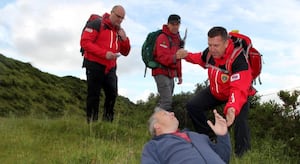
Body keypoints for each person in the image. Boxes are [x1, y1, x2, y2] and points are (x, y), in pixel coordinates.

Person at [176, 26, 254, 157]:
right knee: (193, 105)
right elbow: (200, 58)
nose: (212, 49)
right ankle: (209, 137)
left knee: (240, 119)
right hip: (215, 91)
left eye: (216, 45)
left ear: (226, 42)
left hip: (235, 93)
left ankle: (242, 154)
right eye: (209, 45)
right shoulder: (210, 53)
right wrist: (186, 56)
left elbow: (239, 87)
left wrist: (232, 107)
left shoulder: (238, 59)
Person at [80, 5, 131, 123]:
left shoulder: (118, 31)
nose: (120, 20)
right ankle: (92, 124)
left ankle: (107, 123)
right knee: (94, 95)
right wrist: (104, 54)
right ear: (111, 13)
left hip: (111, 67)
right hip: (94, 64)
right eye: (118, 16)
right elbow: (85, 42)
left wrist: (124, 39)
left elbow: (126, 52)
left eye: (122, 18)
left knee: (112, 94)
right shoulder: (97, 23)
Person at [141, 107, 231, 164]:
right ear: (156, 126)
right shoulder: (153, 146)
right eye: (165, 114)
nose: (172, 113)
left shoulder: (198, 136)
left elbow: (223, 158)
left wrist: (222, 135)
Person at [152, 14, 184, 111]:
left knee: (166, 101)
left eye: (177, 24)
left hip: (171, 74)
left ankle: (158, 123)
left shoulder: (177, 39)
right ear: (168, 24)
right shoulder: (162, 37)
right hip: (161, 72)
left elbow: (179, 58)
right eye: (172, 24)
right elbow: (162, 58)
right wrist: (176, 57)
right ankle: (155, 125)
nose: (175, 26)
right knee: (167, 102)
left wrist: (179, 75)